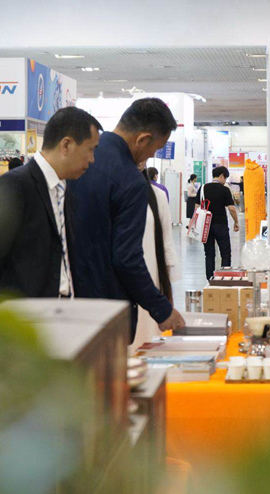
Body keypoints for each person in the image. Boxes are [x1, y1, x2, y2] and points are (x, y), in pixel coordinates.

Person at [69, 98, 186, 338]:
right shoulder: (129, 179)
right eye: (154, 149)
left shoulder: (80, 158)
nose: (150, 156)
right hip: (107, 308)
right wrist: (162, 309)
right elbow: (126, 258)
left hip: (66, 303)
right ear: (142, 139)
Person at [0, 107, 102, 304]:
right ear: (66, 145)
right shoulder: (14, 186)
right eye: (90, 149)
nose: (92, 159)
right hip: (23, 315)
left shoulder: (65, 190)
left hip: (63, 310)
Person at [130, 165, 181, 353]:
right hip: (116, 292)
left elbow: (166, 243)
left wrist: (167, 293)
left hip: (150, 283)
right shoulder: (106, 191)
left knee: (147, 346)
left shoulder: (156, 196)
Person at [195, 166, 240, 280]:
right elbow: (231, 208)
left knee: (209, 254)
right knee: (225, 253)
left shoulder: (203, 188)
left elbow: (196, 207)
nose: (225, 181)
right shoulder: (224, 189)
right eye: (225, 178)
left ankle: (210, 279)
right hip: (221, 225)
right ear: (221, 176)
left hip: (206, 226)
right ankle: (225, 278)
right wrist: (236, 222)